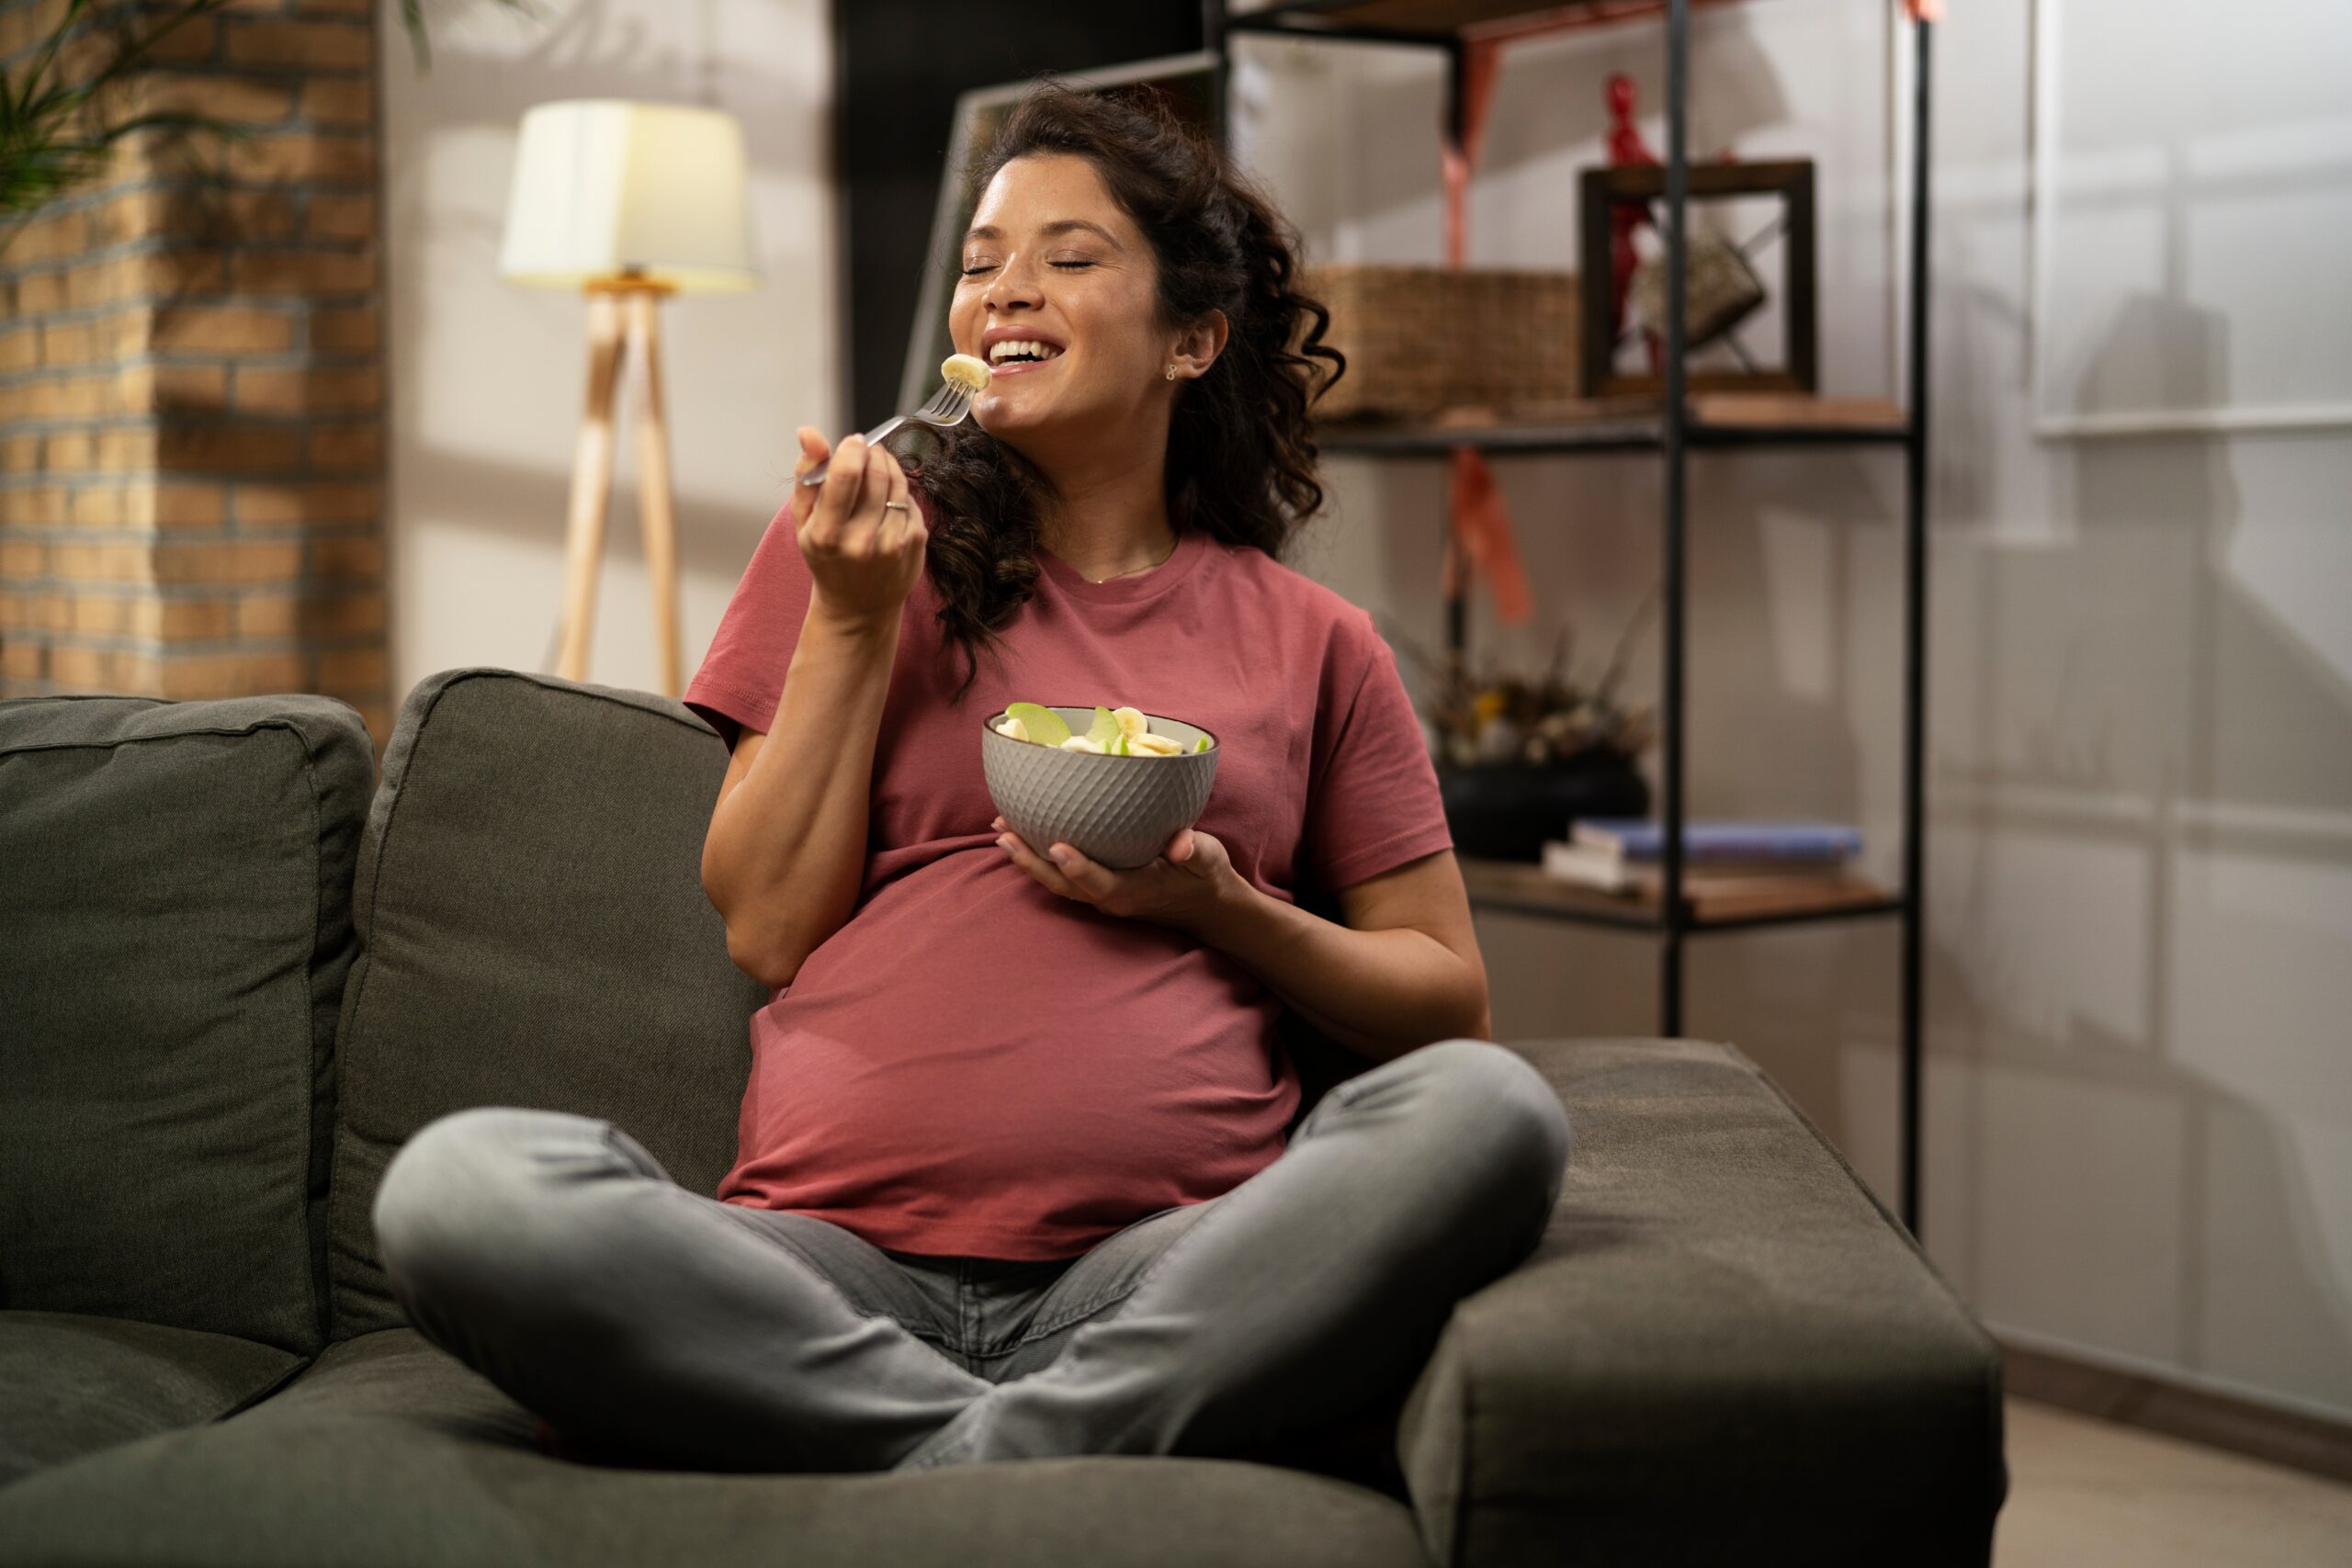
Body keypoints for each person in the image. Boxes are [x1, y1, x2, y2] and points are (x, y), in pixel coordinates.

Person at [370, 80, 1571, 1477]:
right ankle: (1039, 1448)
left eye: (1070, 258)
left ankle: (912, 1440)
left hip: (1163, 1271)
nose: (1008, 290)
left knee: (1494, 1120)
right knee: (466, 1192)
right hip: (819, 1265)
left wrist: (1225, 914)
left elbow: (1449, 1008)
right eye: (985, 261)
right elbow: (764, 925)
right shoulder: (856, 559)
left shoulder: (1318, 645)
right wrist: (854, 618)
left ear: (1194, 337)